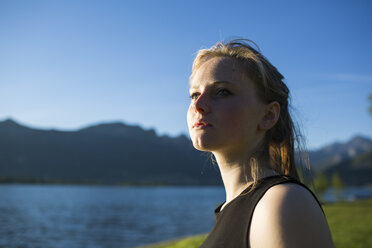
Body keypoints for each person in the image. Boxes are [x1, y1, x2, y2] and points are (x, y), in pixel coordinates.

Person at [187, 39, 334, 248]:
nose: (198, 105)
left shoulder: (282, 203)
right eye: (194, 94)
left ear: (268, 115)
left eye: (222, 91)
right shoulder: (234, 208)